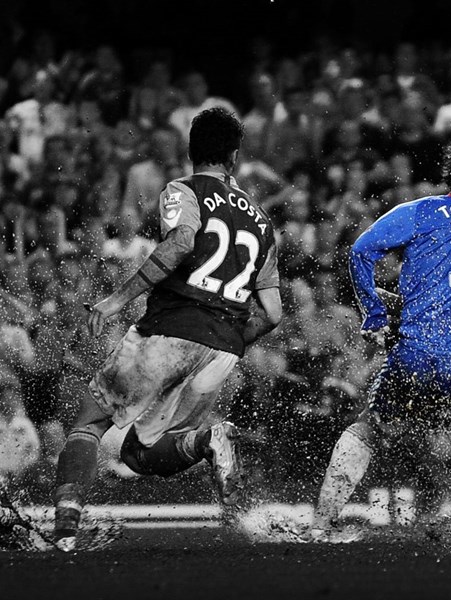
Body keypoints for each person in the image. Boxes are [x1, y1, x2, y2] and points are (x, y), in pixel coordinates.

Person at [51, 108, 282, 552]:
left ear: (191, 150)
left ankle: (64, 530)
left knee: (91, 421)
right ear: (234, 157)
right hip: (222, 350)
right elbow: (271, 313)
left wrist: (115, 301)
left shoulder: (184, 190)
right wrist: (225, 341)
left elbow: (181, 241)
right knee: (138, 453)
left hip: (172, 328)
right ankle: (206, 440)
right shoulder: (261, 221)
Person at [300, 130, 451, 542]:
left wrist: (376, 313)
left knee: (370, 427)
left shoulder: (422, 210)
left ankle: (320, 526)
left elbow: (360, 252)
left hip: (411, 359)